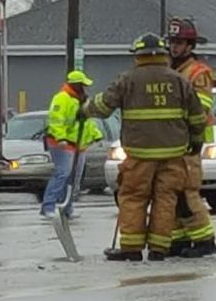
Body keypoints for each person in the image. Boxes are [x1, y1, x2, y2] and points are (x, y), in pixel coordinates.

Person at [82, 33, 206, 262]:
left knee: (133, 197)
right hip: (174, 154)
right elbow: (198, 117)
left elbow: (104, 105)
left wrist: (84, 109)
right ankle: (159, 249)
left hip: (139, 154)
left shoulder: (128, 79)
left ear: (137, 56)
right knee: (166, 199)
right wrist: (196, 140)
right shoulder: (179, 80)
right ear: (162, 54)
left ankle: (131, 249)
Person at [167, 17, 216, 258]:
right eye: (172, 41)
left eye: (179, 42)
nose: (174, 47)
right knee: (173, 191)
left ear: (190, 45)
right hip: (173, 140)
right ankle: (179, 241)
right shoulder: (171, 69)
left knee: (188, 191)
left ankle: (205, 240)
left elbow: (201, 107)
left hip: (191, 141)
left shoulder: (199, 72)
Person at [40, 70, 103, 219]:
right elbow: (56, 119)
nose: (86, 88)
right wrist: (60, 137)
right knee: (62, 173)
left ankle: (67, 207)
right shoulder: (62, 98)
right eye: (83, 85)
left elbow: (87, 123)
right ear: (77, 85)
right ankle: (48, 206)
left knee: (74, 177)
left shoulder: (81, 100)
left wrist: (96, 135)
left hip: (78, 145)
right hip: (62, 144)